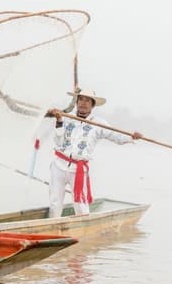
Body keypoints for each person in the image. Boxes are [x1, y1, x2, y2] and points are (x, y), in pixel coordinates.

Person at [43, 87, 142, 219]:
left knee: (80, 204)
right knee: (55, 203)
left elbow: (116, 136)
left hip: (78, 170)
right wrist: (58, 120)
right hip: (58, 166)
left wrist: (131, 137)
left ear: (92, 105)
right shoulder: (66, 116)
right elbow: (58, 139)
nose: (83, 103)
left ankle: (83, 228)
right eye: (81, 100)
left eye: (88, 101)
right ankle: (53, 227)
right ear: (77, 102)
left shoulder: (99, 123)